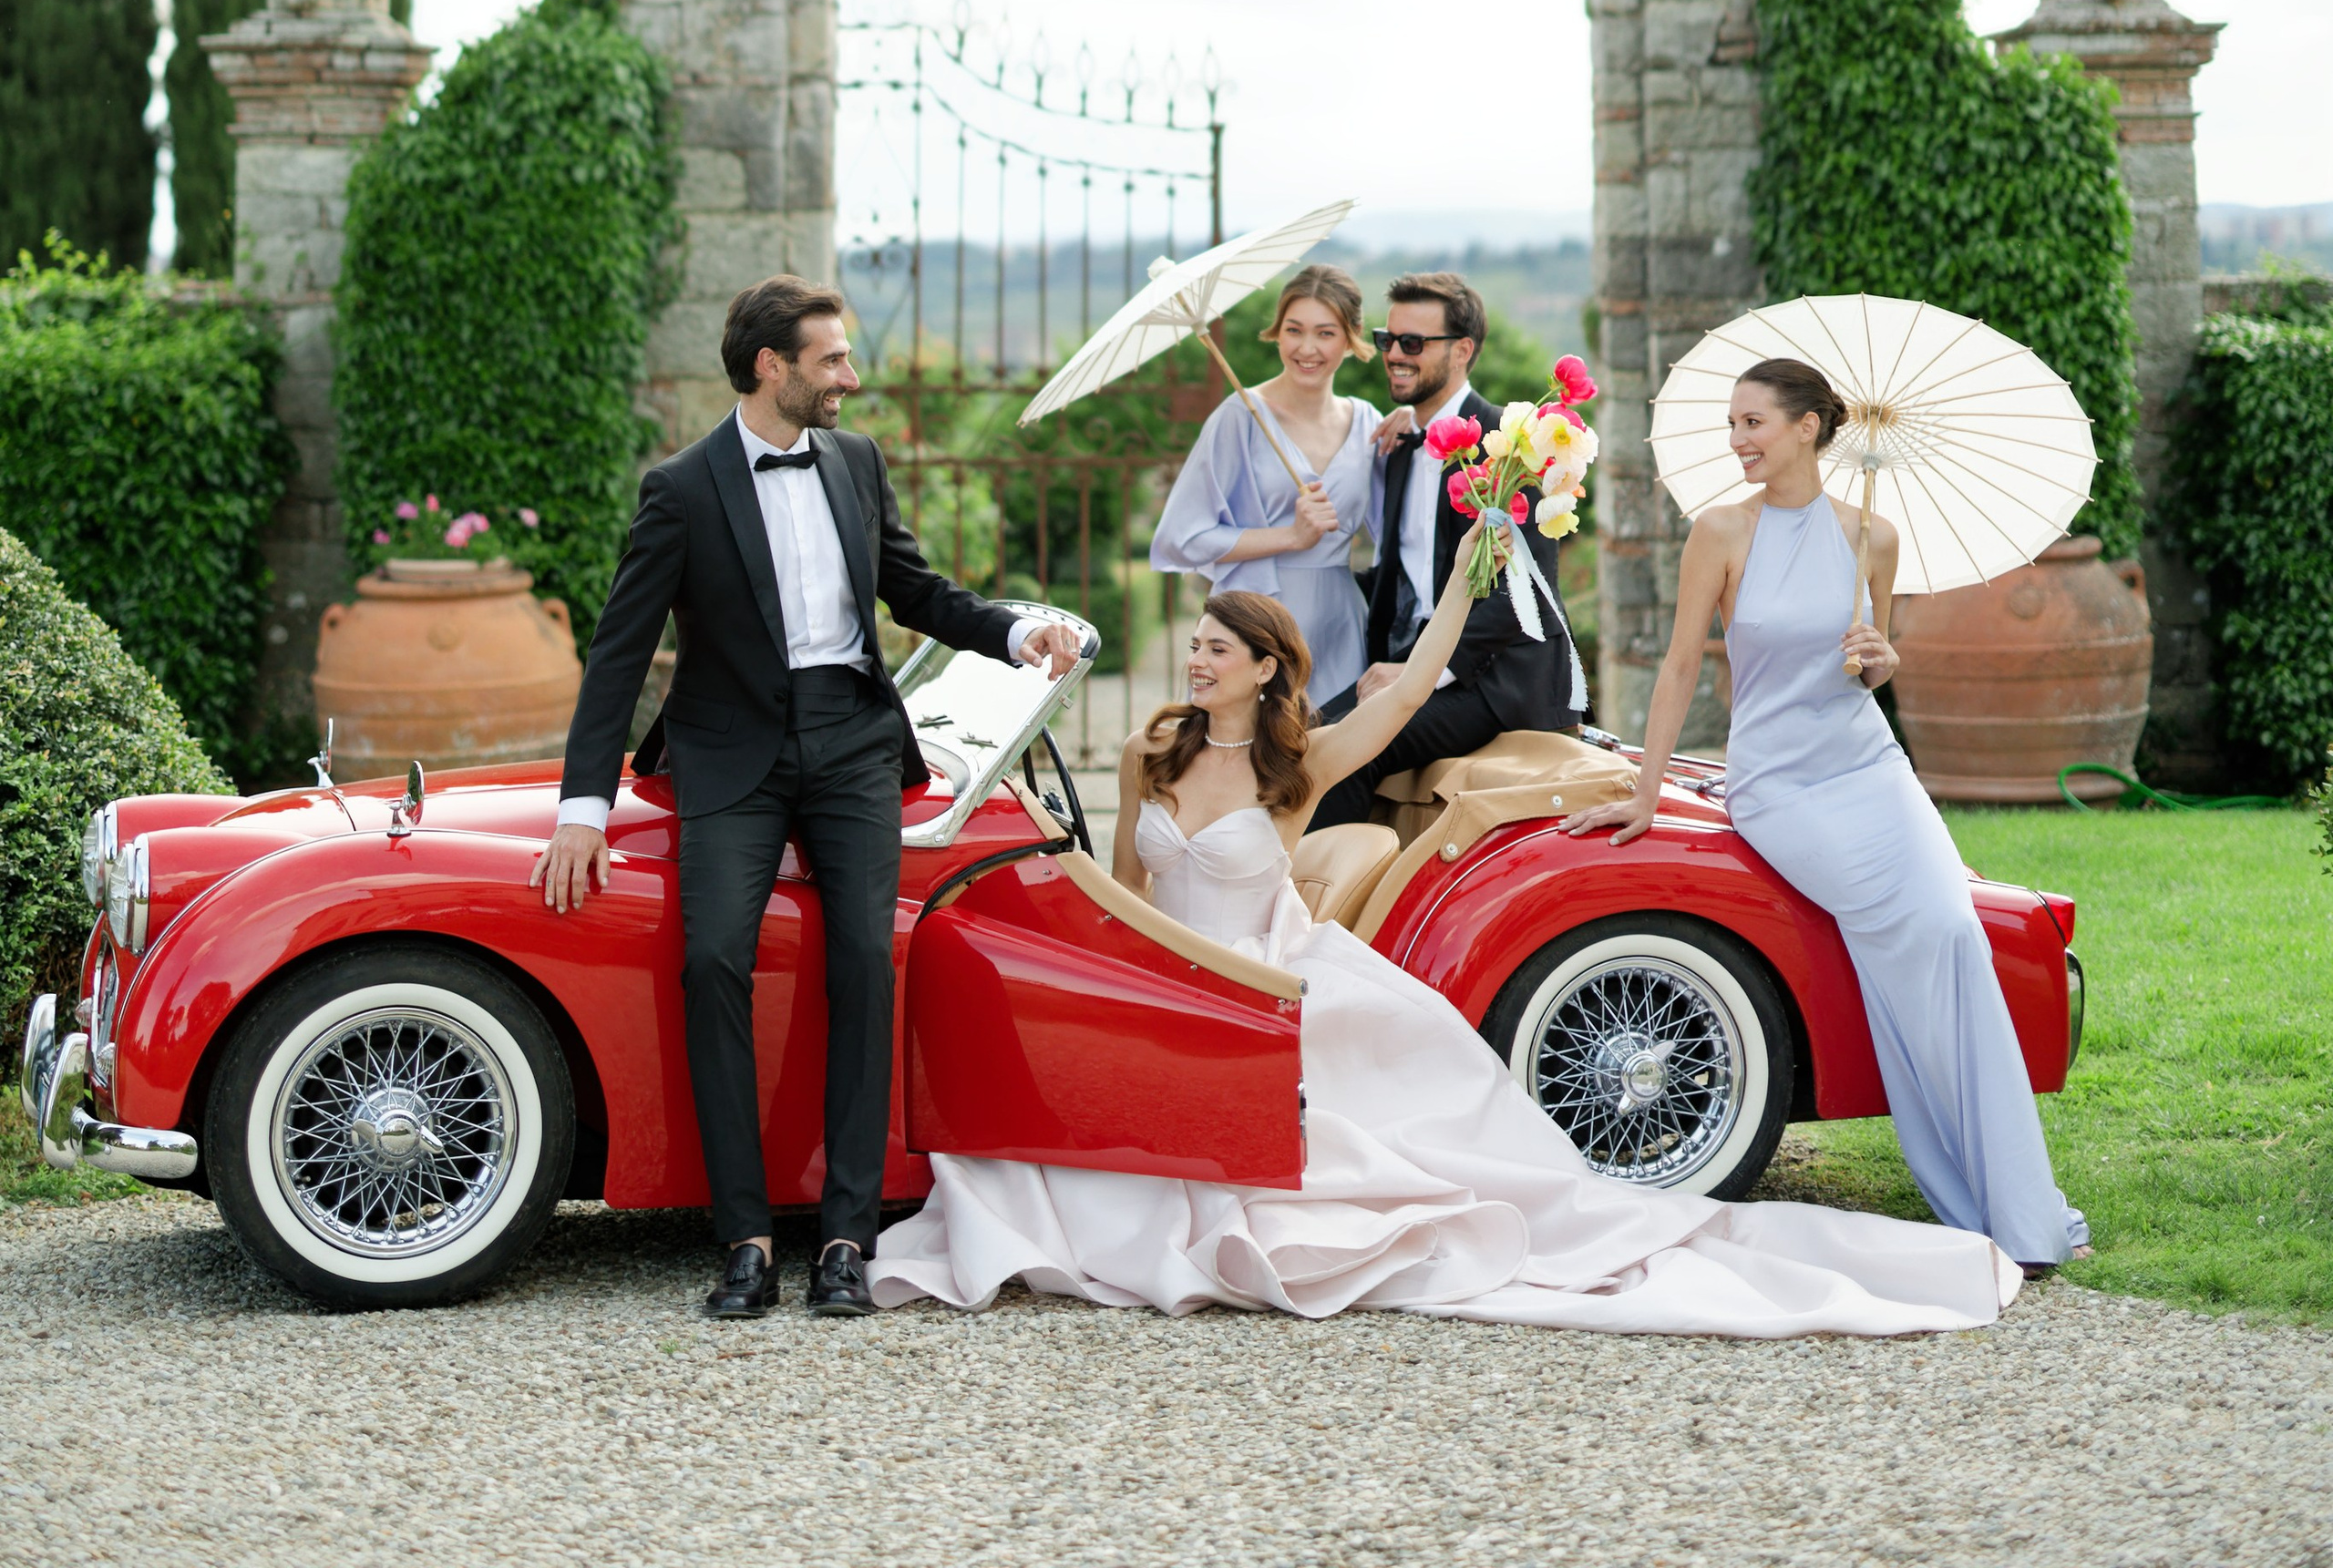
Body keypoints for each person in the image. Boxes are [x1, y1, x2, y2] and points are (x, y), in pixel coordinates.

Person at [869, 553, 2020, 1329]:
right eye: (1199, 643)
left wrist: (1475, 571)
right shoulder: (1153, 754)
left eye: (1220, 647)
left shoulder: (1300, 762)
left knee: (1395, 1170)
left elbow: (1417, 679)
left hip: (1269, 980)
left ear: (1267, 669)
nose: (1198, 658)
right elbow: (1128, 892)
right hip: (1177, 983)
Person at [534, 276, 1083, 1322]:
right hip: (730, 752)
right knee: (711, 962)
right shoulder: (681, 489)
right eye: (832, 359)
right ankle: (742, 1238)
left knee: (866, 962)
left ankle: (845, 1234)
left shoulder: (857, 461)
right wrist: (580, 810)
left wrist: (1018, 633)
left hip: (849, 744)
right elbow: (615, 660)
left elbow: (918, 594)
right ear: (770, 368)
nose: (852, 376)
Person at [1569, 352, 2090, 1274]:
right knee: (1894, 938)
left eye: (1752, 423)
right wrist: (1646, 786)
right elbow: (1683, 664)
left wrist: (1878, 657)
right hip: (1777, 780)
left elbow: (1870, 671)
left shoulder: (1872, 538)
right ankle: (1955, 1170)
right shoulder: (1719, 533)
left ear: (1807, 426)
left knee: (1952, 935)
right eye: (1731, 425)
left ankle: (2011, 1199)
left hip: (1869, 769)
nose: (1737, 441)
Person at [1306, 271, 1585, 815]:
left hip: (1494, 680)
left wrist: (1419, 673)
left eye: (1413, 343)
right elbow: (1408, 571)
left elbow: (1520, 600)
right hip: (1416, 665)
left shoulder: (1512, 446)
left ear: (1462, 350)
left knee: (1343, 756)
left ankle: (1335, 896)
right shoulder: (1403, 445)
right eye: (1388, 341)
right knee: (1297, 738)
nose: (1393, 355)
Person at [1147, 262, 1386, 711]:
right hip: (1252, 630)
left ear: (1352, 338)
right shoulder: (1239, 416)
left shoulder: (1369, 422)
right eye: (1294, 330)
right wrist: (1290, 537)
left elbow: (1398, 531)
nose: (1307, 348)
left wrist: (1418, 428)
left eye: (1326, 333)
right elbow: (1181, 539)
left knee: (1335, 769)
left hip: (1339, 628)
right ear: (1277, 333)